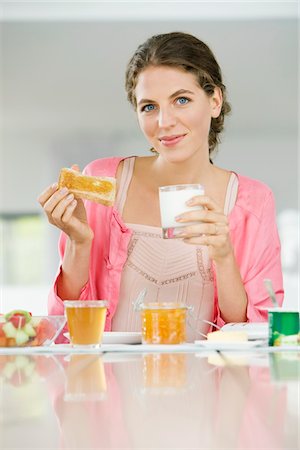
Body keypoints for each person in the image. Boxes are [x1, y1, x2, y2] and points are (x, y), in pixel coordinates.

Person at [38, 32, 284, 341]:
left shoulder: (253, 201)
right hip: (108, 387)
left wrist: (223, 256)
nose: (164, 121)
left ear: (215, 101)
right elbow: (66, 327)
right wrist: (79, 242)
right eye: (149, 107)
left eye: (182, 100)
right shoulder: (104, 180)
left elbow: (256, 333)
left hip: (209, 388)